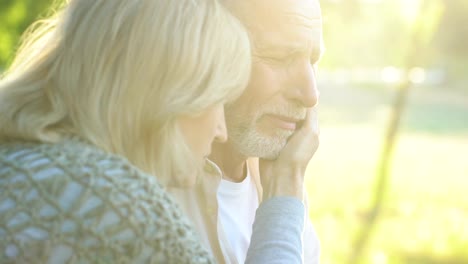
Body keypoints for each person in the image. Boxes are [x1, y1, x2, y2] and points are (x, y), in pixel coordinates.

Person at [0, 0, 309, 263]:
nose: (220, 130)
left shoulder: (21, 163)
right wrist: (284, 194)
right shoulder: (118, 207)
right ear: (164, 96)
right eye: (217, 99)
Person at [169, 0, 324, 263]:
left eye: (312, 60)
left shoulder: (282, 175)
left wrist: (286, 188)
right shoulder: (145, 194)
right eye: (279, 57)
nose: (310, 96)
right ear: (208, 56)